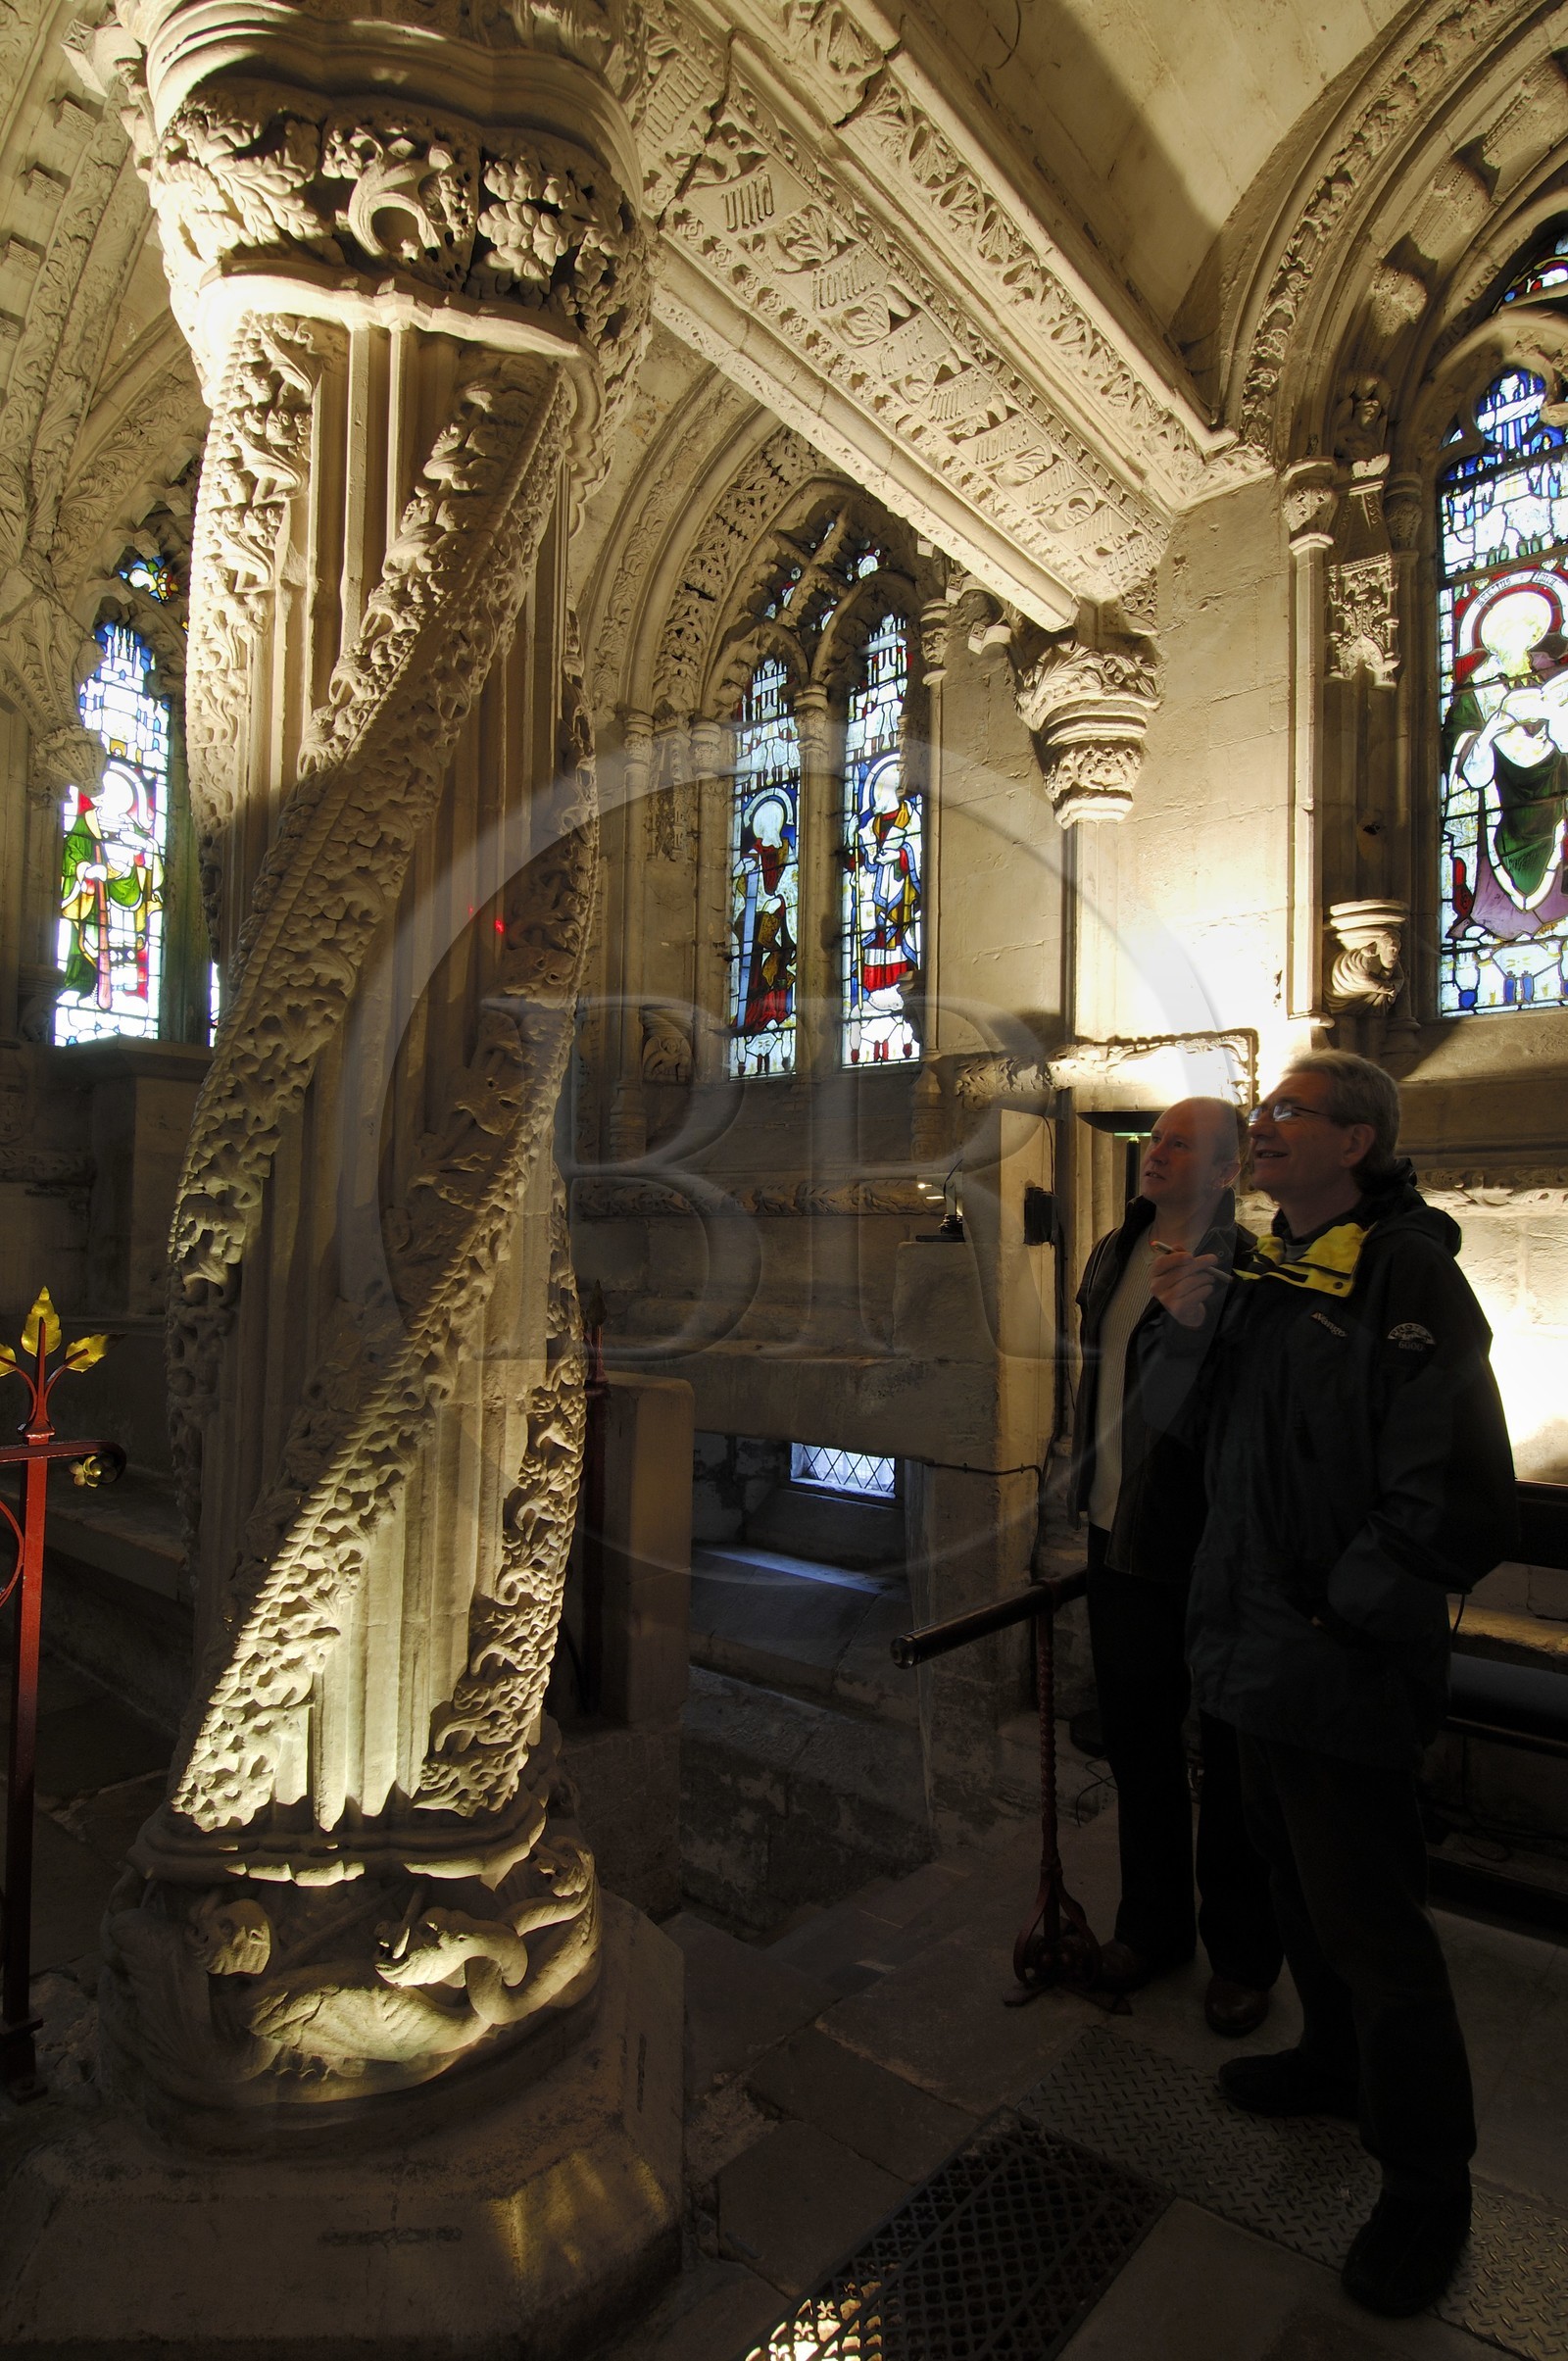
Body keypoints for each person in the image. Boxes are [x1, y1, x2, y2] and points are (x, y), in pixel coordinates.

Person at [1152, 1051, 1516, 2319]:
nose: (1261, 1128)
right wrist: (1192, 1337)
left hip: (1335, 1660)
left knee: (1375, 1922)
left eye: (1285, 1113)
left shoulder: (1408, 1273)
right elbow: (1209, 1450)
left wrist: (1336, 1607)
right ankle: (1329, 2055)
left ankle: (1429, 2186)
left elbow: (1457, 1487)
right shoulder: (1263, 1274)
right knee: (1293, 1881)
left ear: (1354, 1141)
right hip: (1250, 1649)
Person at [1070, 1097, 1282, 2033]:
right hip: (1116, 1533)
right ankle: (1151, 1928)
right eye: (1154, 1140)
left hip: (1207, 1541)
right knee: (1137, 1747)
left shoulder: (1250, 1271)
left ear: (1230, 1172)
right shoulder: (1117, 1250)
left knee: (1231, 1761)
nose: (1155, 1154)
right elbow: (1103, 1383)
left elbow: (1244, 1414)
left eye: (1181, 1144)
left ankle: (1243, 1953)